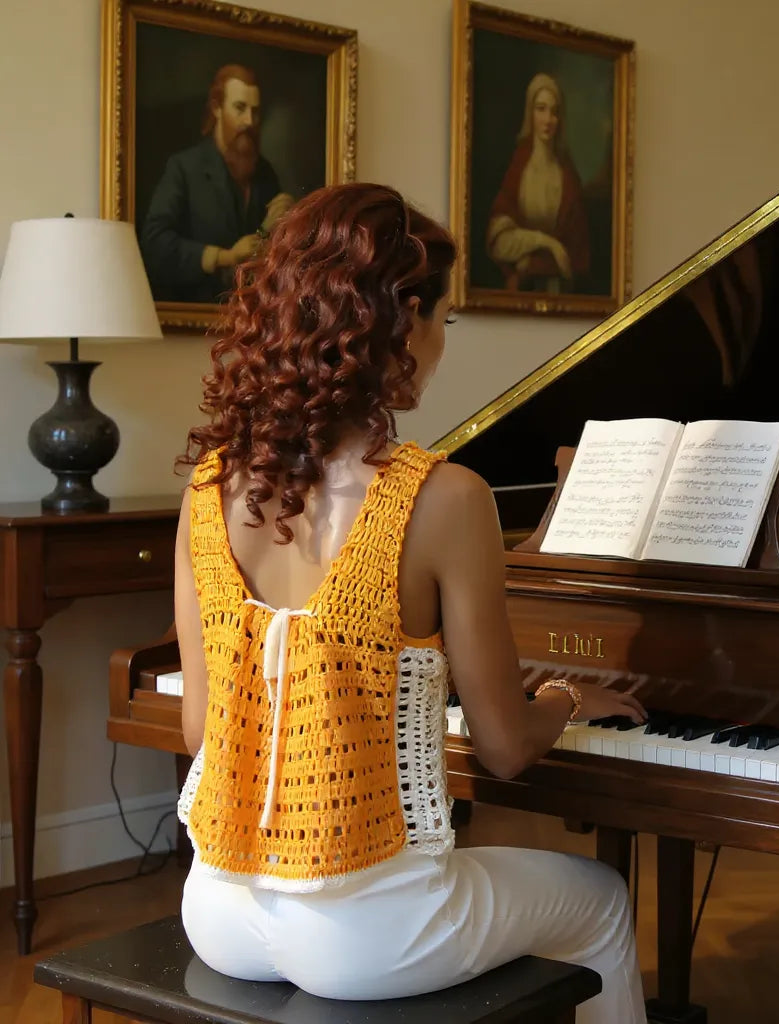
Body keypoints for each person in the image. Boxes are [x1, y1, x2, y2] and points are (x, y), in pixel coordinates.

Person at [172, 182, 648, 1023]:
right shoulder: (445, 497)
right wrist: (566, 697)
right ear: (404, 317)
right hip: (368, 936)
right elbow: (504, 748)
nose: (442, 344)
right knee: (603, 901)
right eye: (445, 319)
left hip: (218, 911)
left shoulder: (210, 488)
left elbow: (198, 733)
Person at [139, 63, 294, 304]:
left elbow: (265, 252)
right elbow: (155, 244)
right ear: (217, 108)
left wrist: (287, 222)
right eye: (240, 108)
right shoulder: (185, 168)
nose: (249, 121)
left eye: (255, 111)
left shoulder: (265, 173)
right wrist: (223, 257)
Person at [486, 72, 590, 293]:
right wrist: (548, 243)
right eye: (541, 109)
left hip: (560, 294)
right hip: (519, 294)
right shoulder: (518, 168)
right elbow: (499, 243)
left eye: (554, 111)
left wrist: (530, 263)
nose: (548, 119)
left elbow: (574, 259)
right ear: (530, 113)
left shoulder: (568, 177)